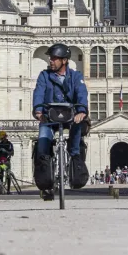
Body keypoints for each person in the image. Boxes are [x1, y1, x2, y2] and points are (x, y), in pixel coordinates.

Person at [32, 43, 89, 200]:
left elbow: (81, 93)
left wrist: (82, 111)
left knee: (77, 133)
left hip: (70, 116)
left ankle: (76, 163)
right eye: (50, 58)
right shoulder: (44, 76)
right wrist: (38, 110)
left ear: (64, 61)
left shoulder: (76, 77)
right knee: (43, 144)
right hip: (49, 117)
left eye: (54, 59)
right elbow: (39, 93)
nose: (50, 61)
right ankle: (45, 182)